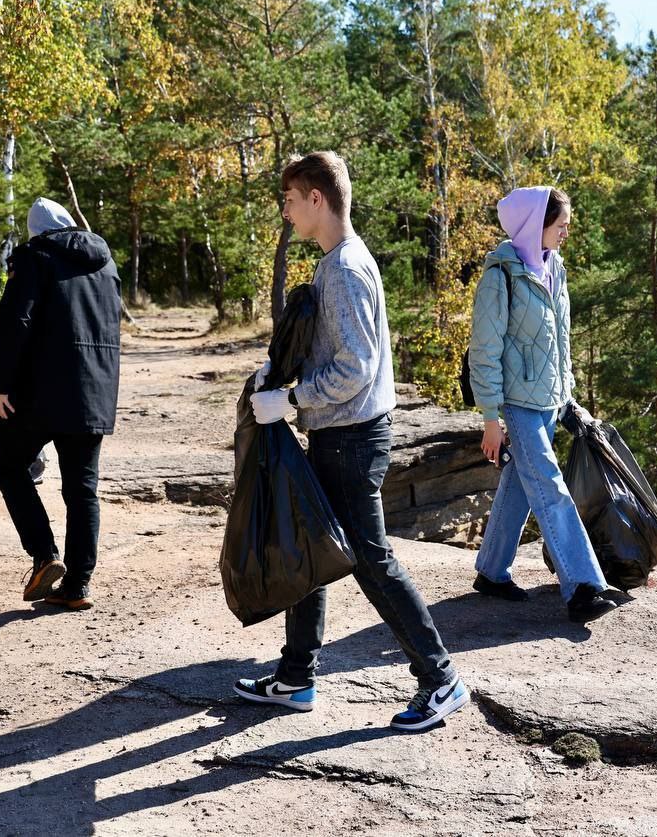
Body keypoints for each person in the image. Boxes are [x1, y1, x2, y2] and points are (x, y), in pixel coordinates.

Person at [235, 151, 468, 732]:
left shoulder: (343, 268)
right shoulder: (337, 262)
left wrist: (292, 400)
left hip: (353, 439)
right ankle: (295, 676)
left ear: (317, 198)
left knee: (370, 559)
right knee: (309, 545)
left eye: (291, 200)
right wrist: (280, 375)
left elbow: (356, 368)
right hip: (340, 434)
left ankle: (441, 678)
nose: (286, 212)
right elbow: (336, 352)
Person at [467, 186, 617, 623]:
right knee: (550, 487)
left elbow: (560, 341)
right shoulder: (501, 276)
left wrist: (568, 397)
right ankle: (583, 586)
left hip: (550, 399)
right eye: (560, 224)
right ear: (536, 225)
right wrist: (490, 418)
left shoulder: (555, 267)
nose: (566, 231)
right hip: (518, 404)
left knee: (520, 484)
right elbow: (485, 352)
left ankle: (492, 571)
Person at [0, 197, 122, 611]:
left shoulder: (34, 257)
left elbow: (16, 321)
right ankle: (77, 586)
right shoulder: (105, 263)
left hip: (39, 390)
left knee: (8, 465)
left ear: (37, 232)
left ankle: (44, 555)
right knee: (82, 489)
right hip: (93, 389)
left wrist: (0, 385)